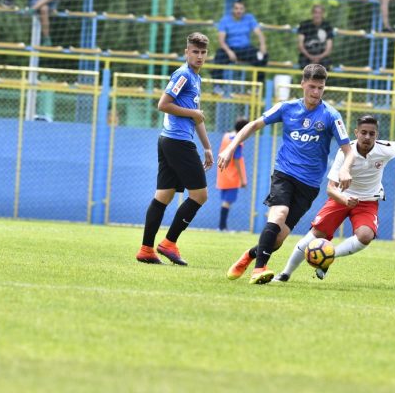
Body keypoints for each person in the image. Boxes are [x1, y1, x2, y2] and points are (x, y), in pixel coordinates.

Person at [218, 64, 354, 285]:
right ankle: (259, 269)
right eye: (312, 87)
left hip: (309, 184)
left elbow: (349, 151)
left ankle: (249, 256)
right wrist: (231, 148)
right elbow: (254, 124)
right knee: (279, 214)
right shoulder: (287, 108)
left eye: (320, 88)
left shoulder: (331, 115)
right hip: (284, 173)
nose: (316, 92)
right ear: (302, 84)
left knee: (278, 239)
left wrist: (345, 169)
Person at [274, 115, 395, 282]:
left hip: (368, 202)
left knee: (365, 236)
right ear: (356, 133)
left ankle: (328, 257)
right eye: (363, 132)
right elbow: (330, 189)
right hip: (341, 198)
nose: (367, 137)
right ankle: (285, 273)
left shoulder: (385, 150)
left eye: (372, 134)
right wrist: (344, 200)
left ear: (377, 135)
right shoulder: (345, 152)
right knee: (316, 235)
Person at [135, 32, 214, 266]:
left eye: (203, 52)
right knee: (200, 195)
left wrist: (207, 148)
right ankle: (169, 243)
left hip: (169, 141)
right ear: (186, 52)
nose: (199, 56)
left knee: (164, 195)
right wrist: (192, 113)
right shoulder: (183, 75)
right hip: (177, 142)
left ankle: (146, 249)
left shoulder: (196, 79)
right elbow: (163, 104)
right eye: (195, 52)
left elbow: (197, 118)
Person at [212, 0, 268, 82]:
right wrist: (229, 51)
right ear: (232, 9)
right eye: (236, 8)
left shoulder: (249, 18)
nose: (239, 11)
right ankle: (217, 85)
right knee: (219, 55)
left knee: (263, 56)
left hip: (246, 50)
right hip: (231, 49)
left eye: (241, 9)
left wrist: (263, 45)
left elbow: (259, 34)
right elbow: (221, 41)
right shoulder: (225, 20)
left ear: (244, 10)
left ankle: (258, 85)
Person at [216, 117, 249, 231]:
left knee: (225, 201)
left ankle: (222, 226)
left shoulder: (226, 136)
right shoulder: (237, 142)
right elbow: (237, 160)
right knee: (227, 201)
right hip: (232, 176)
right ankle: (222, 227)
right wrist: (243, 179)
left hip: (223, 173)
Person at [297, 4, 334, 69]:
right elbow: (300, 46)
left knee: (326, 64)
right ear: (312, 13)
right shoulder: (304, 24)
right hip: (306, 56)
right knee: (304, 64)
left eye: (320, 13)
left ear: (323, 14)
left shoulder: (327, 26)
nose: (317, 15)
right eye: (315, 12)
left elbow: (329, 48)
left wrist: (319, 57)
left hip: (322, 57)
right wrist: (310, 57)